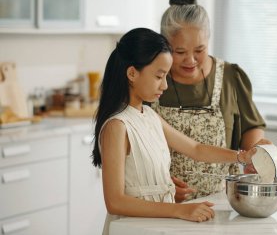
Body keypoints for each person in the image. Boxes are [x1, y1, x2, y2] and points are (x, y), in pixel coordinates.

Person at [91, 28, 257, 235]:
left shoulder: (150, 117)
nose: (165, 85)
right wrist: (179, 210)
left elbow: (196, 149)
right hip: (130, 228)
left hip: (158, 226)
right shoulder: (118, 126)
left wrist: (243, 157)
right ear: (132, 73)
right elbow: (115, 202)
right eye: (159, 76)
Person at [151, 0, 267, 202]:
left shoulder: (230, 76)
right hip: (164, 202)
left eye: (199, 50)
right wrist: (160, 183)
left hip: (221, 201)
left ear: (208, 40)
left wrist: (253, 157)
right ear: (165, 45)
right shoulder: (152, 80)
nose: (191, 60)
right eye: (179, 52)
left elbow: (251, 126)